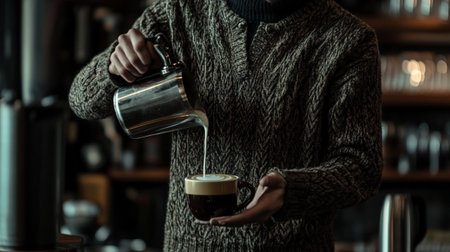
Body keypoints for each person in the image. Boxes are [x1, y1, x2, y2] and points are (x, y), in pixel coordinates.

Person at [69, 0, 383, 250]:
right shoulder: (179, 14)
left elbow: (363, 167)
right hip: (187, 246)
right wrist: (114, 65)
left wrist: (292, 191)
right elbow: (81, 100)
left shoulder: (348, 40)